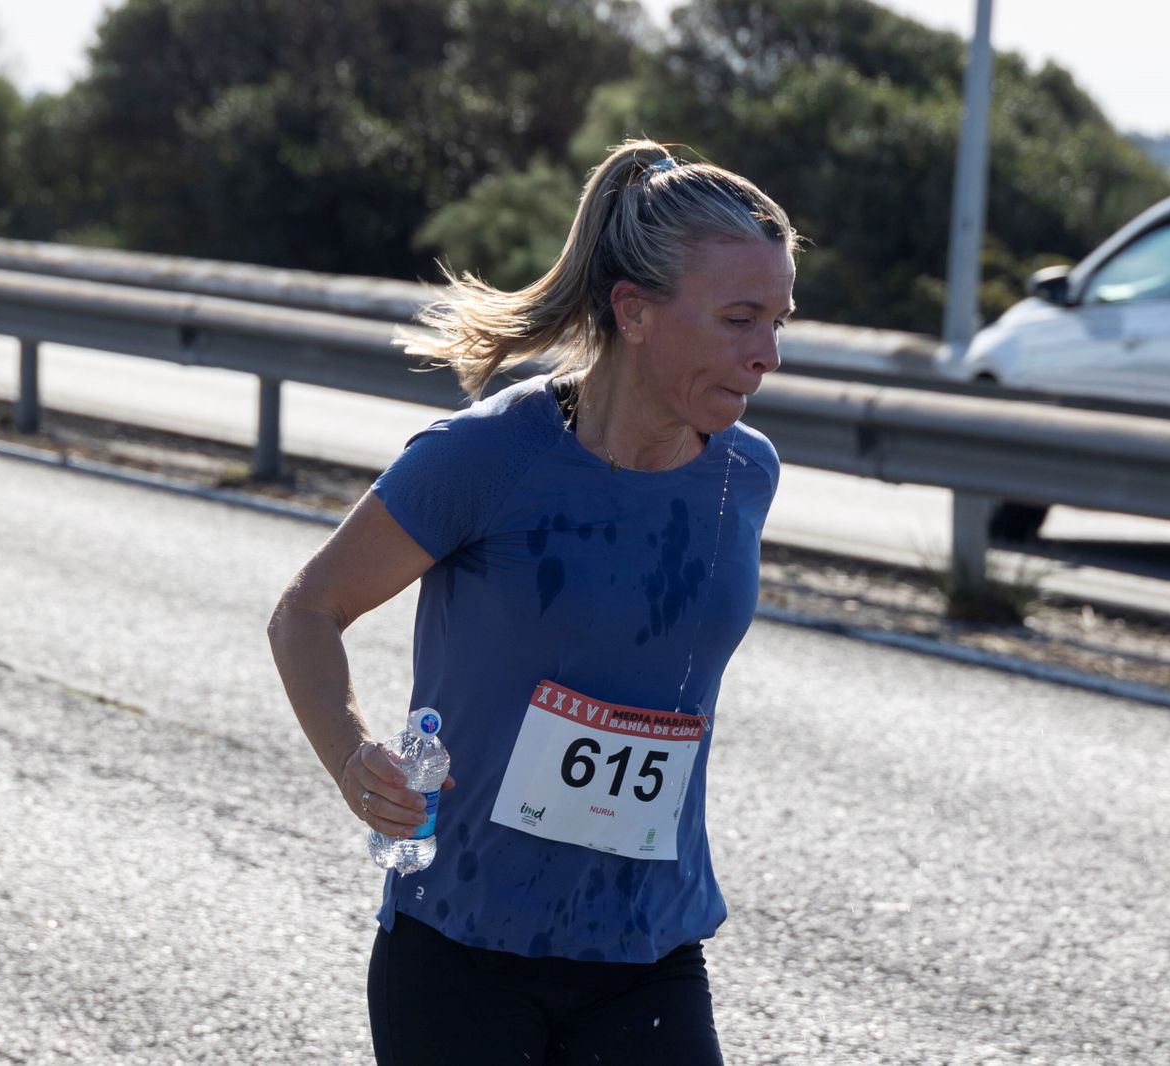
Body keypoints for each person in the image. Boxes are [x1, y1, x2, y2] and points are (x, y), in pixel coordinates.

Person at [267, 138, 798, 1065]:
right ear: (634, 311)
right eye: (740, 319)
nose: (768, 355)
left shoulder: (744, 475)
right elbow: (307, 610)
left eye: (780, 321)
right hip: (465, 946)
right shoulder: (487, 457)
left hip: (648, 946)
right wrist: (353, 758)